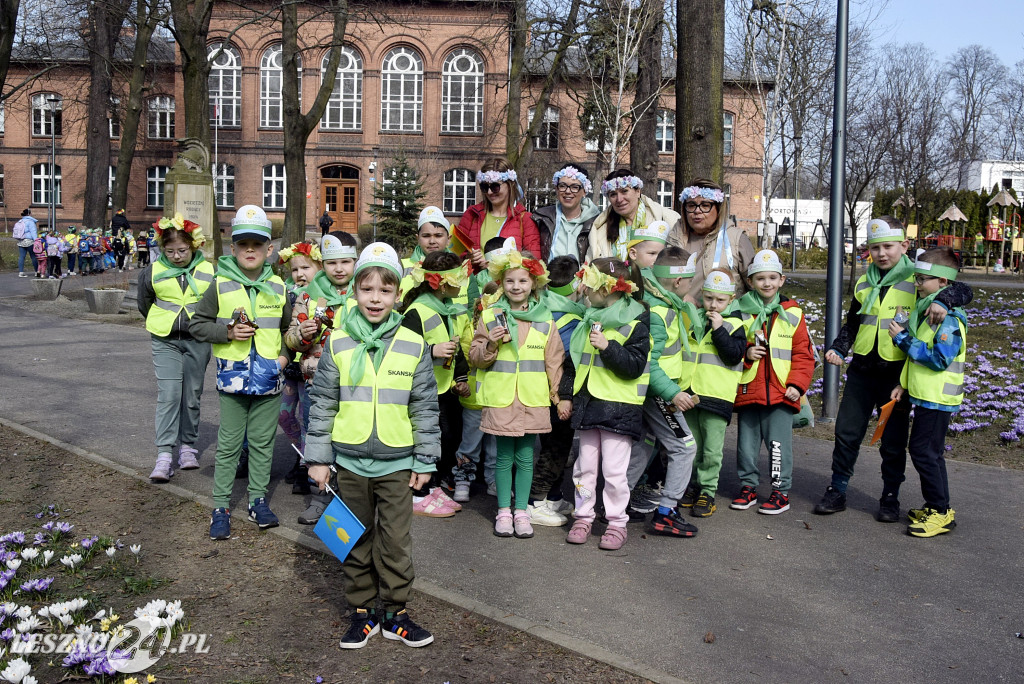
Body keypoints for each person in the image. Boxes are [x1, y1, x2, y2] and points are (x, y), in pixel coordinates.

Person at [305, 242, 440, 650]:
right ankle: (362, 612)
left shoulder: (414, 345)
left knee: (395, 544)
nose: (375, 298)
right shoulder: (339, 343)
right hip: (348, 464)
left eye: (385, 290)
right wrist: (318, 459)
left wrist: (425, 459)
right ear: (354, 292)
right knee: (351, 540)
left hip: (397, 465)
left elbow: (425, 407)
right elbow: (323, 404)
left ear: (397, 294)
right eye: (367, 289)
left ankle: (395, 613)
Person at [814, 217, 972, 521]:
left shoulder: (919, 277)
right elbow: (854, 321)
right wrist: (838, 347)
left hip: (895, 373)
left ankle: (890, 497)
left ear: (904, 246)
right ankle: (837, 489)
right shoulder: (864, 281)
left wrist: (947, 298)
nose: (881, 253)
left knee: (894, 440)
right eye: (875, 247)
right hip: (861, 370)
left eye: (888, 246)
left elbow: (962, 288)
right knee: (847, 432)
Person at [189, 205, 292, 540]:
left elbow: (289, 330)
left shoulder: (278, 287)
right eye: (243, 244)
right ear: (232, 248)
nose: (250, 249)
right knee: (230, 444)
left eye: (257, 244)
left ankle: (258, 500)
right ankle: (220, 506)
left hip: (269, 380)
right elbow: (197, 325)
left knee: (263, 444)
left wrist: (285, 358)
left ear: (269, 249)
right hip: (232, 380)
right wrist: (227, 333)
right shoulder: (219, 285)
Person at [471, 247, 562, 539]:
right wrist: (490, 346)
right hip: (501, 399)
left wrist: (559, 397)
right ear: (501, 282)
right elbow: (475, 356)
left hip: (532, 399)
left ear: (533, 283)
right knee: (502, 458)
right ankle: (503, 511)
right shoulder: (490, 316)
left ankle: (521, 511)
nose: (516, 287)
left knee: (526, 458)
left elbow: (555, 360)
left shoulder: (546, 319)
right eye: (510, 281)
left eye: (522, 281)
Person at [560, 259, 650, 550]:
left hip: (619, 408)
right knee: (584, 468)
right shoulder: (589, 317)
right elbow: (574, 362)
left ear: (608, 289)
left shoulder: (636, 321)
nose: (583, 289)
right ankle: (583, 516)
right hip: (589, 405)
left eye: (590, 283)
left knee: (613, 472)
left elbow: (635, 366)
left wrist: (608, 347)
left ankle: (616, 522)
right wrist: (565, 395)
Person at [888, 247, 967, 538]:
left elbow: (939, 359)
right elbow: (918, 363)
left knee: (924, 453)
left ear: (943, 282)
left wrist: (904, 340)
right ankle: (937, 507)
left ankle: (940, 511)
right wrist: (903, 385)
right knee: (928, 453)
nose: (917, 284)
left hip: (938, 400)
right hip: (925, 397)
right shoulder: (929, 310)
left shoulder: (947, 318)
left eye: (922, 279)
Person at [730, 250, 815, 515]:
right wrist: (745, 354)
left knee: (778, 447)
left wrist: (797, 386)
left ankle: (780, 492)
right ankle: (748, 487)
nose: (767, 283)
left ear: (782, 280)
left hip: (781, 394)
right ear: (751, 280)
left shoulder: (794, 314)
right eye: (760, 278)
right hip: (748, 390)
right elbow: (729, 346)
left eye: (772, 278)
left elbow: (804, 354)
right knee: (746, 447)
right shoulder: (739, 311)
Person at [628, 242, 702, 537]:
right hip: (659, 393)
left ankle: (615, 505)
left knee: (642, 447)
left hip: (654, 392)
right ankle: (666, 512)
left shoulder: (663, 302)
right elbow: (649, 363)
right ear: (680, 280)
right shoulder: (659, 312)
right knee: (685, 447)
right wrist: (673, 393)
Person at [284, 231, 358, 524]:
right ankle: (321, 497)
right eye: (332, 263)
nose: (339, 269)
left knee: (350, 441)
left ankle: (350, 500)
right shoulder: (308, 296)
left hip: (355, 382)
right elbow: (291, 338)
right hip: (316, 382)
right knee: (318, 439)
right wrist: (301, 337)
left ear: (355, 262)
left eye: (346, 262)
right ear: (323, 264)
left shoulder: (363, 292)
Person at [138, 214, 215, 482]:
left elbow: (215, 305)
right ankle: (164, 456)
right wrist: (164, 321)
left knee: (192, 395)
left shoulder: (208, 270)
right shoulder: (153, 270)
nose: (176, 256)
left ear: (193, 247)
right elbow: (144, 302)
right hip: (165, 339)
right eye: (169, 251)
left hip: (198, 340)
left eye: (182, 251)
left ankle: (188, 448)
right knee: (169, 395)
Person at [402, 251, 472, 516]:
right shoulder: (416, 311)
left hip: (447, 389)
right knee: (431, 442)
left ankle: (433, 487)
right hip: (425, 391)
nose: (462, 284)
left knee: (450, 439)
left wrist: (461, 378)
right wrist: (431, 351)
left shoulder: (447, 310)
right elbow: (402, 350)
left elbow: (456, 349)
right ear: (442, 283)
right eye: (458, 279)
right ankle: (419, 493)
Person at [678, 268, 747, 518]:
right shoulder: (694, 317)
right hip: (691, 394)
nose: (714, 305)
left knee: (712, 449)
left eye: (720, 300)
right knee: (692, 445)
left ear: (731, 299)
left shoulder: (735, 323)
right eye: (709, 298)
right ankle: (693, 485)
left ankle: (708, 490)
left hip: (716, 396)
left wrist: (719, 330)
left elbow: (733, 355)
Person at [528, 254, 584, 526]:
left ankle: (552, 496)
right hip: (559, 394)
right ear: (577, 286)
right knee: (556, 449)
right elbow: (568, 364)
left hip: (538, 391)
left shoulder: (543, 308)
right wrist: (565, 397)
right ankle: (535, 501)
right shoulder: (573, 320)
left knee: (551, 446)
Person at [276, 240, 323, 501]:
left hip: (309, 367)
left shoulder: (319, 295)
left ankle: (306, 464)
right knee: (284, 415)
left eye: (306, 267)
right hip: (289, 364)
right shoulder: (286, 293)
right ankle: (302, 453)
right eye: (294, 270)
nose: (300, 274)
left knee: (308, 418)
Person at [667, 180, 756, 301]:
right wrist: (681, 297)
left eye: (705, 205)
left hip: (726, 318)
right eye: (691, 205)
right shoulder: (672, 239)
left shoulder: (737, 239)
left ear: (718, 208)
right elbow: (656, 282)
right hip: (680, 316)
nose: (697, 211)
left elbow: (756, 285)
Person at [458, 157, 541, 270]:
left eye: (495, 186)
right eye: (484, 187)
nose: (489, 192)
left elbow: (534, 263)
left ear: (510, 184)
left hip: (509, 286)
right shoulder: (472, 215)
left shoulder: (525, 219)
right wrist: (469, 259)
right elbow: (455, 256)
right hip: (476, 285)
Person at [585, 169, 681, 262]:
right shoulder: (600, 229)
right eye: (613, 194)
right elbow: (589, 266)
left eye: (624, 191)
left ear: (638, 191)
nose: (619, 199)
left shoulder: (667, 219)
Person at [532, 165, 601, 262]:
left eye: (574, 187)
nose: (568, 191)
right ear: (556, 189)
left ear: (584, 191)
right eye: (562, 186)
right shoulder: (541, 219)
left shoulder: (596, 222)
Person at [14, 209, 40, 277]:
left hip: (21, 241)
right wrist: (36, 240)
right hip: (30, 241)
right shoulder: (30, 222)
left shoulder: (20, 221)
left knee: (22, 257)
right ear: (29, 214)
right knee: (33, 256)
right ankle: (37, 271)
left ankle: (21, 272)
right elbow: (33, 232)